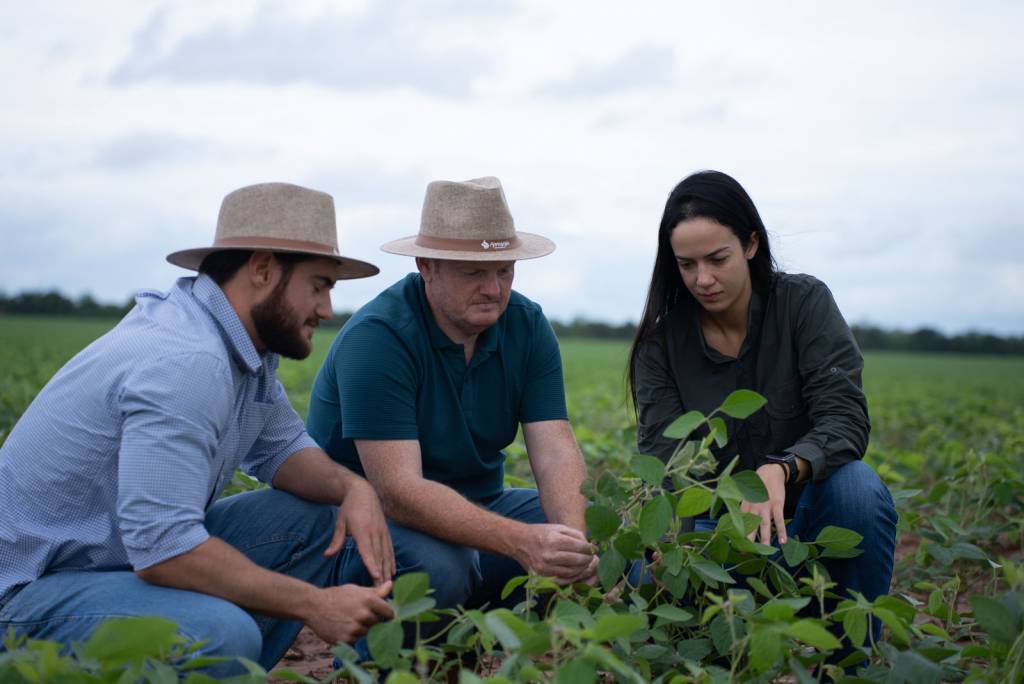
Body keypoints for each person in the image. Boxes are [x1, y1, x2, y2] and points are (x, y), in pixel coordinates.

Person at [0, 182, 397, 676]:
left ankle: (228, 666)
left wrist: (351, 487)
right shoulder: (187, 360)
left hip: (114, 564)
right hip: (25, 596)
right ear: (263, 269)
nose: (325, 309)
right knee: (218, 631)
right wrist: (315, 603)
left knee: (312, 520)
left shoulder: (240, 345)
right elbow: (164, 548)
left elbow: (283, 449)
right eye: (318, 285)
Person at [307, 177, 597, 629]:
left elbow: (555, 448)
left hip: (478, 504)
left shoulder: (526, 325)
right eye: (473, 272)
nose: (493, 288)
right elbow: (398, 493)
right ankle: (386, 669)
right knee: (440, 569)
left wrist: (574, 546)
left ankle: (482, 649)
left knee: (589, 537)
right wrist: (520, 542)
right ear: (427, 265)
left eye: (504, 270)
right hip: (364, 523)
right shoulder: (379, 338)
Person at [627, 170, 897, 643]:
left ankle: (853, 659)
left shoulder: (802, 303)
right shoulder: (661, 344)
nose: (703, 279)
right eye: (687, 264)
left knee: (858, 488)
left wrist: (783, 469)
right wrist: (669, 541)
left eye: (717, 258)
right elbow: (662, 460)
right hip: (720, 533)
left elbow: (845, 418)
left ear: (751, 244)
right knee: (628, 573)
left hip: (810, 516)